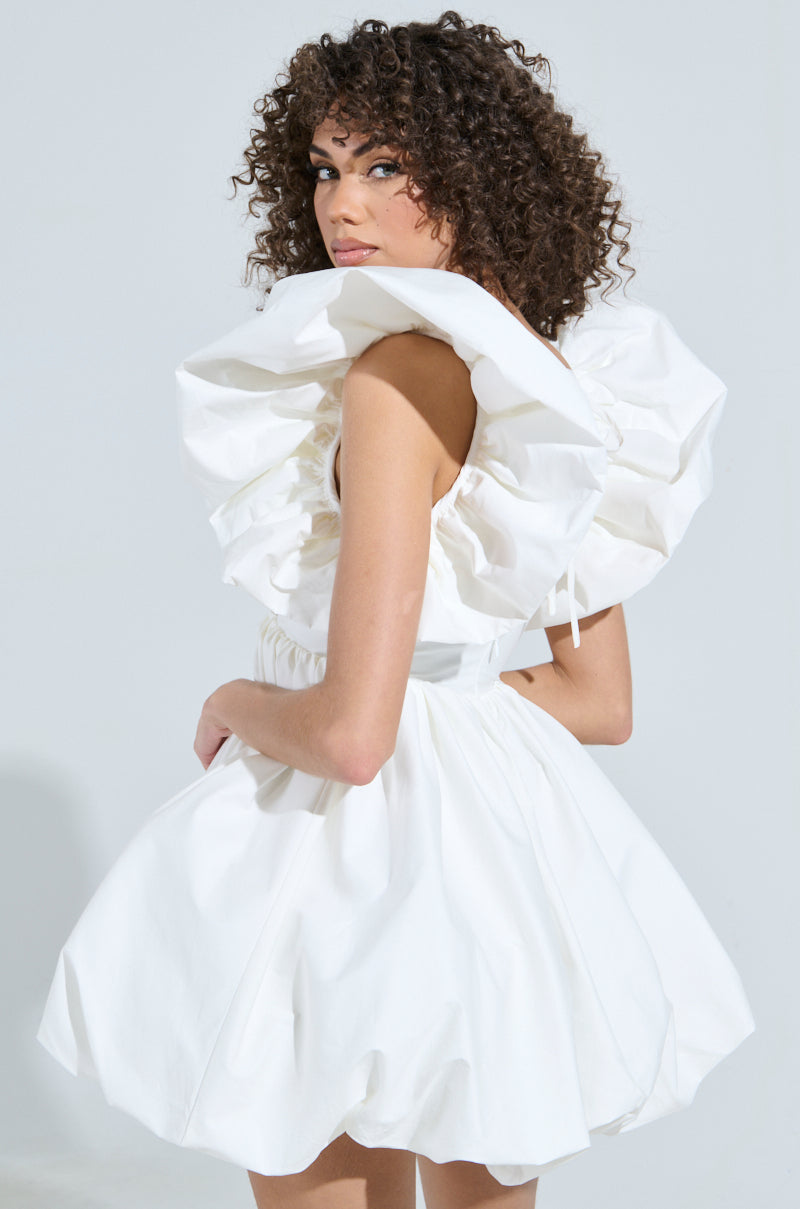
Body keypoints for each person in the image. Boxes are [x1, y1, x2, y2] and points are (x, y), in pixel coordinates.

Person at [37, 12, 754, 1209]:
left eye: (381, 166)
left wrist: (239, 699)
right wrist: (449, 700)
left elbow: (351, 738)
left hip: (342, 857)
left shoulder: (388, 383)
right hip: (493, 859)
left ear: (472, 177)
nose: (340, 206)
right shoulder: (553, 381)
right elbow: (596, 701)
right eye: (323, 170)